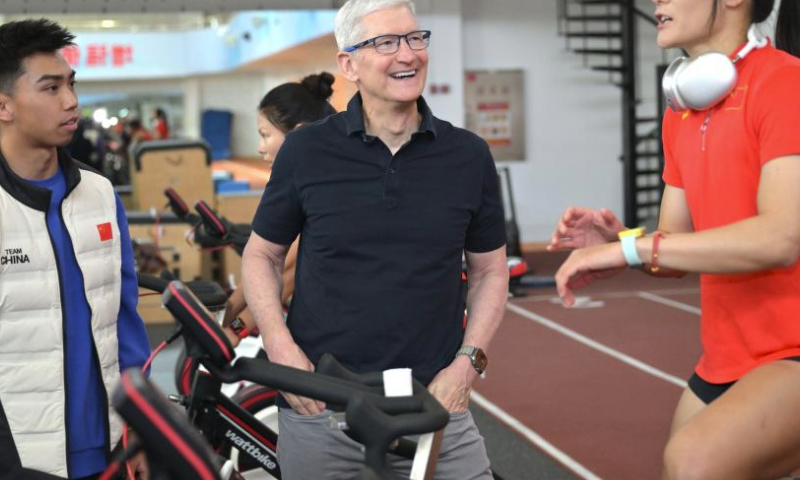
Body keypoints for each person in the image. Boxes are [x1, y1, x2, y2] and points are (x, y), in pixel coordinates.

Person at [241, 0, 509, 477]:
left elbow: (489, 270)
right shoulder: (305, 151)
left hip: (436, 408)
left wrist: (467, 364)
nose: (407, 55)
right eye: (385, 43)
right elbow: (262, 254)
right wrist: (282, 351)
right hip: (322, 409)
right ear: (349, 64)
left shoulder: (468, 156)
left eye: (415, 38)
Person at [550, 0, 800, 477]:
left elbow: (780, 237)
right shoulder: (683, 111)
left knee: (693, 461)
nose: (656, 2)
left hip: (792, 353)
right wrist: (620, 239)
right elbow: (673, 250)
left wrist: (632, 247)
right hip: (725, 357)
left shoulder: (786, 83)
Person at [0, 19, 151, 479]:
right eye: (50, 88)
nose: (71, 102)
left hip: (104, 449)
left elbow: (125, 323)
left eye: (71, 84)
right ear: (3, 105)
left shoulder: (101, 194)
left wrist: (142, 425)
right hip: (19, 455)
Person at [220, 72, 338, 344]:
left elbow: (286, 270)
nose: (260, 148)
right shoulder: (305, 178)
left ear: (297, 133)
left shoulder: (325, 186)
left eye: (265, 135)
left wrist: (233, 329)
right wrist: (224, 316)